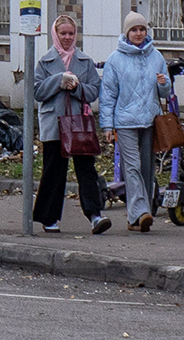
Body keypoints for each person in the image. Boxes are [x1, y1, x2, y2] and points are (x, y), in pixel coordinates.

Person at [31, 14, 110, 234]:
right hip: (54, 123)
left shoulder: (85, 61)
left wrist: (77, 88)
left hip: (79, 124)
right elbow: (37, 91)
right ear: (55, 34)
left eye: (71, 33)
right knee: (53, 170)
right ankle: (49, 218)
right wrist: (59, 80)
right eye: (63, 33)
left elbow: (94, 91)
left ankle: (95, 215)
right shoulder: (45, 62)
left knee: (86, 169)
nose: (67, 37)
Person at [99, 9, 171, 232]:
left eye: (142, 29)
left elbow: (165, 92)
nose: (138, 33)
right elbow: (108, 95)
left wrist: (164, 84)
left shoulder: (156, 56)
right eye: (134, 30)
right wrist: (107, 125)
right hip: (125, 122)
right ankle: (141, 212)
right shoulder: (115, 59)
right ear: (126, 33)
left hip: (149, 120)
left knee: (147, 168)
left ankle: (137, 217)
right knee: (132, 167)